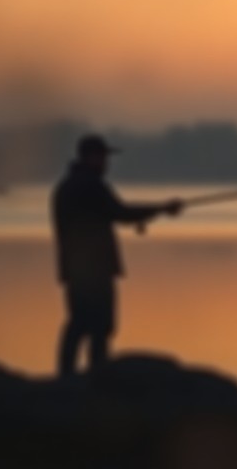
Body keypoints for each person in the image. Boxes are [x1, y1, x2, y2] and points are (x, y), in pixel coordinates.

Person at [51, 133, 183, 378]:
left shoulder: (65, 187)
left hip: (74, 269)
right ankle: (95, 376)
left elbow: (113, 213)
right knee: (99, 325)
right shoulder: (90, 185)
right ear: (90, 157)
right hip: (95, 270)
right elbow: (120, 212)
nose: (106, 163)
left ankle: (66, 376)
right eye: (102, 157)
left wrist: (157, 210)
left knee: (78, 323)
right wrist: (161, 209)